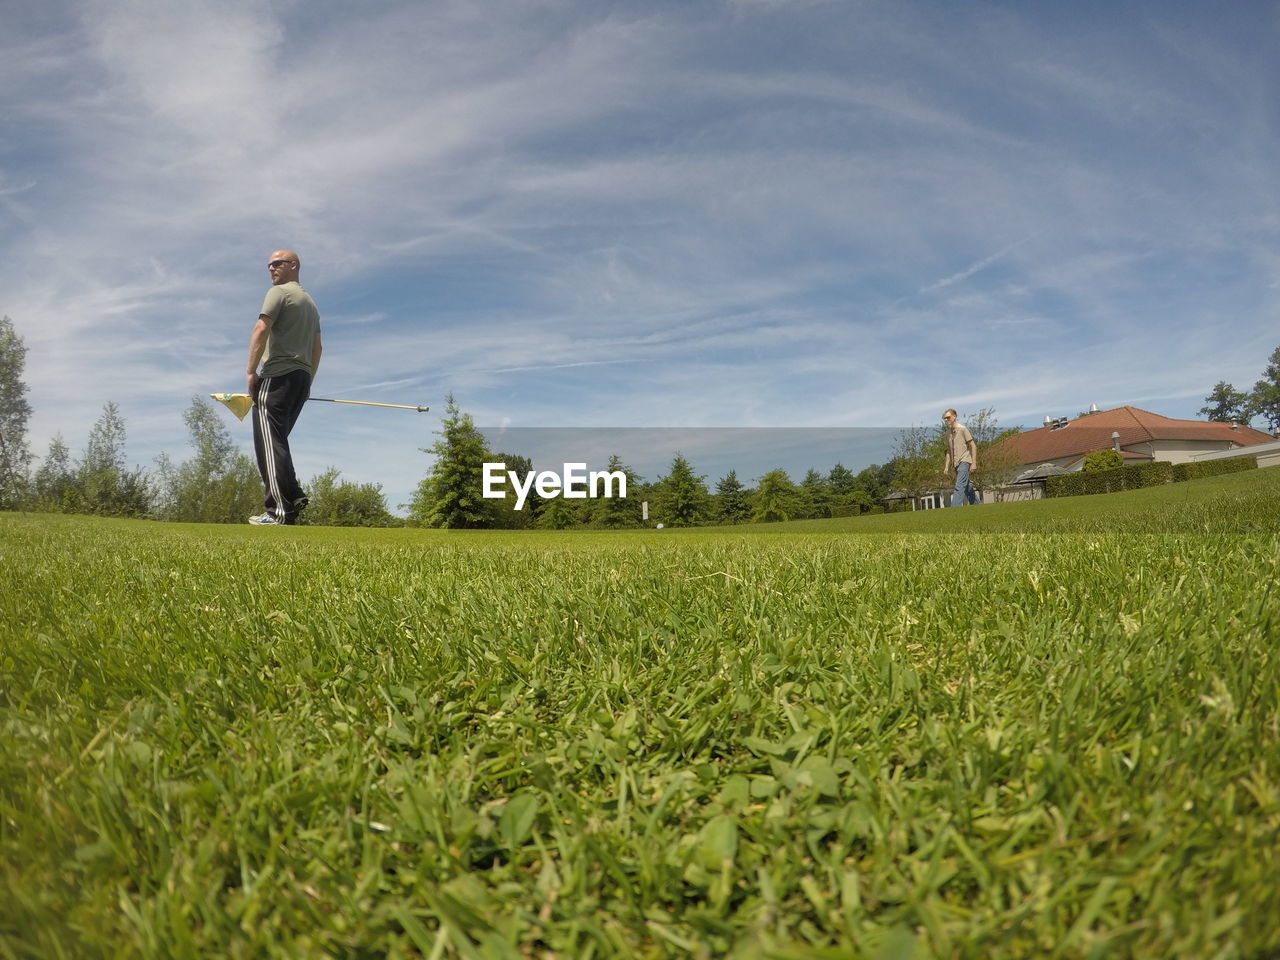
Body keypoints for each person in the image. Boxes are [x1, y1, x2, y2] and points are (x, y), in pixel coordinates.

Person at [244, 250, 322, 525]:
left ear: (293, 265)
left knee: (268, 442)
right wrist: (307, 381)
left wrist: (251, 371)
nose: (271, 269)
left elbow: (260, 329)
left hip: (277, 376)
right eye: (268, 265)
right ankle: (293, 494)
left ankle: (278, 510)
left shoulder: (278, 293)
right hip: (300, 378)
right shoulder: (310, 303)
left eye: (277, 263)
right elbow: (317, 348)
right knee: (276, 441)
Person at [942, 408, 980, 506]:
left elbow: (973, 445)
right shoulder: (947, 434)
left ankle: (954, 509)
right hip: (955, 464)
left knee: (959, 485)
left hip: (965, 460)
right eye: (944, 418)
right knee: (967, 488)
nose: (946, 420)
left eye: (948, 417)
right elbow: (949, 452)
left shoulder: (963, 429)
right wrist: (946, 466)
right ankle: (978, 505)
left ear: (954, 417)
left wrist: (974, 463)